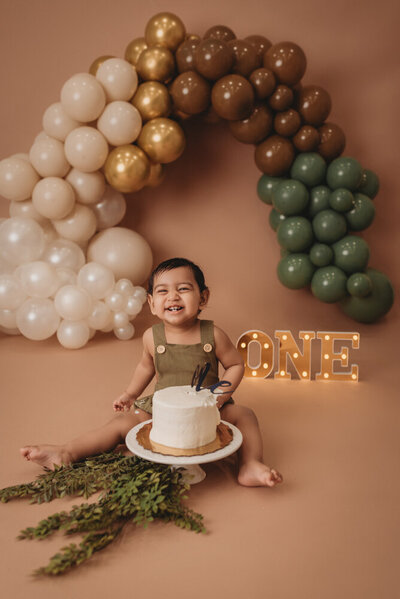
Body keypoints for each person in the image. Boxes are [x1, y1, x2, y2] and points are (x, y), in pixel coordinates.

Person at [21, 258, 283, 488]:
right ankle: (67, 452)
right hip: (163, 410)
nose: (173, 297)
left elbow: (236, 365)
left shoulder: (212, 334)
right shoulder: (151, 337)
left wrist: (221, 396)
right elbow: (146, 367)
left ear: (203, 297)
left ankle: (250, 465)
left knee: (245, 415)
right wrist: (130, 393)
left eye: (183, 289)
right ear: (152, 303)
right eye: (163, 291)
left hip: (209, 407)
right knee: (121, 425)